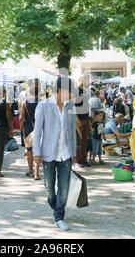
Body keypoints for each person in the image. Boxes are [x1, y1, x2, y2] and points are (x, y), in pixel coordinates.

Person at [33, 77, 77, 231]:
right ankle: (54, 204)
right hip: (48, 152)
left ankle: (59, 215)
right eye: (69, 91)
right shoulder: (43, 106)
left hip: (65, 153)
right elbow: (37, 132)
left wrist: (74, 150)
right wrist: (36, 153)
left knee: (64, 187)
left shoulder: (70, 105)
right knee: (49, 186)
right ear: (60, 91)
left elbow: (71, 129)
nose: (71, 94)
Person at [20, 85, 41, 180]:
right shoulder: (42, 102)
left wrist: (21, 129)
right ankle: (37, 173)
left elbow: (21, 117)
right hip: (40, 128)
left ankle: (31, 172)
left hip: (28, 128)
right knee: (38, 150)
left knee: (29, 150)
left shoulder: (25, 102)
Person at [75, 74, 91, 167]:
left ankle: (83, 159)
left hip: (85, 118)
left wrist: (88, 119)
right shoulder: (75, 91)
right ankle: (77, 160)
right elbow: (73, 106)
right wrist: (77, 119)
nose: (88, 82)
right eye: (87, 80)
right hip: (79, 120)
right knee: (78, 141)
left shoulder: (85, 92)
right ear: (81, 80)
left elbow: (86, 106)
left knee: (84, 141)